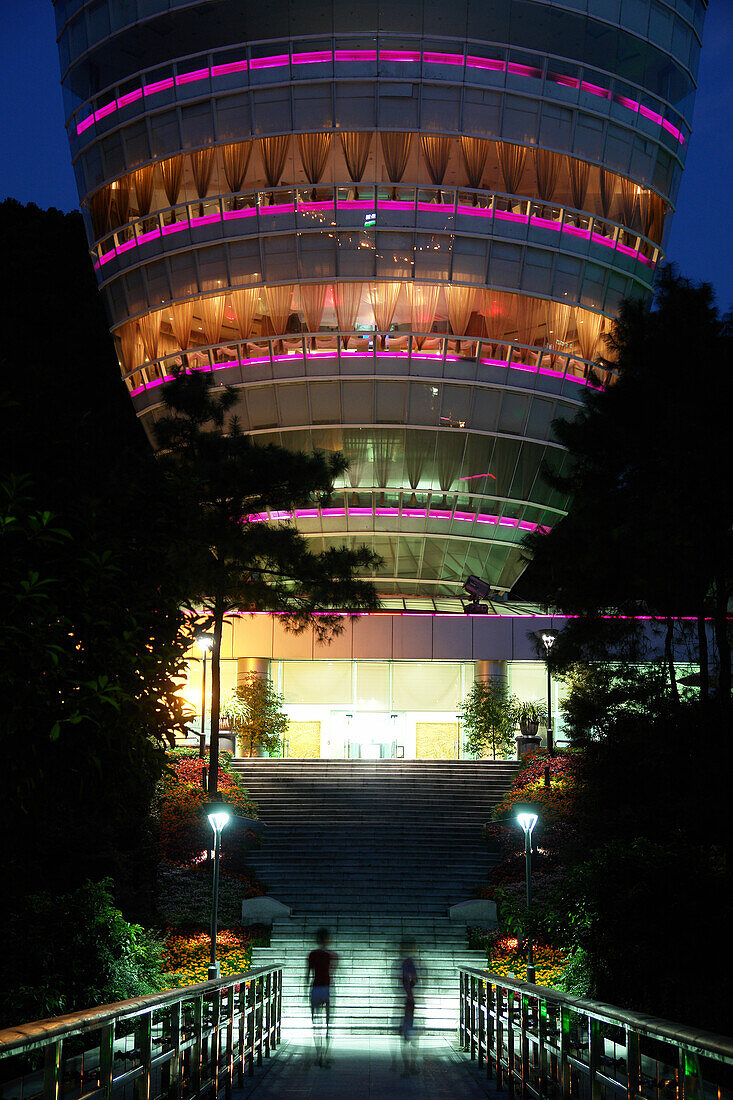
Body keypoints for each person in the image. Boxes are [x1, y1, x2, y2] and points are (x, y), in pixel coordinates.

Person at [306, 927, 338, 1066]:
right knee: (328, 1023)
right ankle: (325, 1055)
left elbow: (307, 975)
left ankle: (318, 1054)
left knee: (316, 1023)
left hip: (315, 988)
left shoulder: (312, 954)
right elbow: (333, 972)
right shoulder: (332, 955)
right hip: (327, 988)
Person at [399, 937, 419, 1076]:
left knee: (406, 1033)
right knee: (410, 1032)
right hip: (409, 999)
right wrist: (410, 990)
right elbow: (415, 979)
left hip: (406, 998)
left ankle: (408, 1066)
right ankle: (411, 1065)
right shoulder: (410, 963)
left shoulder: (403, 963)